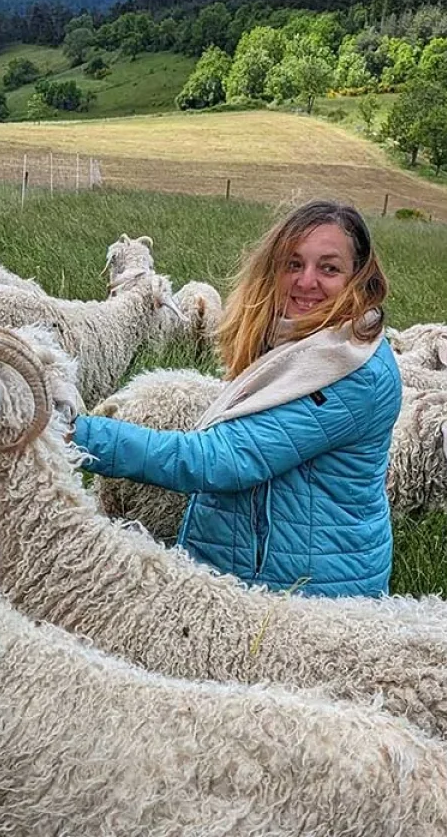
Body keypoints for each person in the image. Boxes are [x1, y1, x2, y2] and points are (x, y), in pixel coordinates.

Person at [70, 201, 402, 597]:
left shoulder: (351, 370)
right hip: (266, 571)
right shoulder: (296, 346)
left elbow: (220, 460)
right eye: (293, 264)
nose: (306, 281)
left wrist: (73, 431)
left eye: (329, 268)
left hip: (309, 595)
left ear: (359, 278)